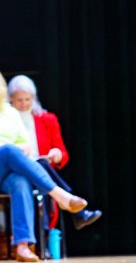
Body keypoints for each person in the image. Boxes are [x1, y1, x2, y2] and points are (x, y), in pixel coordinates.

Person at [0, 64, 89, 262]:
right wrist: (1, 150)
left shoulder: (9, 112)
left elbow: (26, 147)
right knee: (9, 150)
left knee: (19, 181)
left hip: (3, 175)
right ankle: (59, 195)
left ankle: (22, 246)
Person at [7, 75, 102, 231]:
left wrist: (56, 154)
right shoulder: (5, 121)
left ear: (33, 98)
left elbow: (62, 153)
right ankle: (74, 208)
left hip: (43, 173)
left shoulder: (47, 119)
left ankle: (49, 230)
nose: (24, 104)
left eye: (27, 99)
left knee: (41, 165)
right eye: (19, 100)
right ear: (10, 99)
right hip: (16, 172)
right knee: (39, 166)